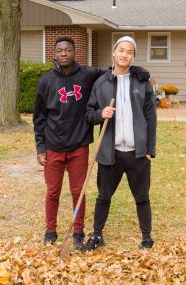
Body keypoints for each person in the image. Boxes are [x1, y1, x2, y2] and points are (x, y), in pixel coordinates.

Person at [33, 35, 150, 250]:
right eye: (59, 50)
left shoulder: (87, 74)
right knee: (52, 192)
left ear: (74, 52)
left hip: (79, 144)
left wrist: (138, 70)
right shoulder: (46, 81)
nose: (64, 53)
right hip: (53, 146)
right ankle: (50, 230)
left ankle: (78, 231)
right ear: (54, 54)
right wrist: (40, 146)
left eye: (68, 50)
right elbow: (39, 117)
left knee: (79, 191)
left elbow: (115, 70)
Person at [84, 36, 157, 251]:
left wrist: (149, 150)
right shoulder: (101, 83)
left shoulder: (142, 82)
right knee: (103, 196)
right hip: (110, 152)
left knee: (142, 197)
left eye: (129, 52)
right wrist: (100, 113)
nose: (125, 55)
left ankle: (146, 238)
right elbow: (88, 114)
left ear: (133, 57)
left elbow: (151, 118)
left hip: (137, 153)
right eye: (121, 50)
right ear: (114, 53)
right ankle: (97, 235)